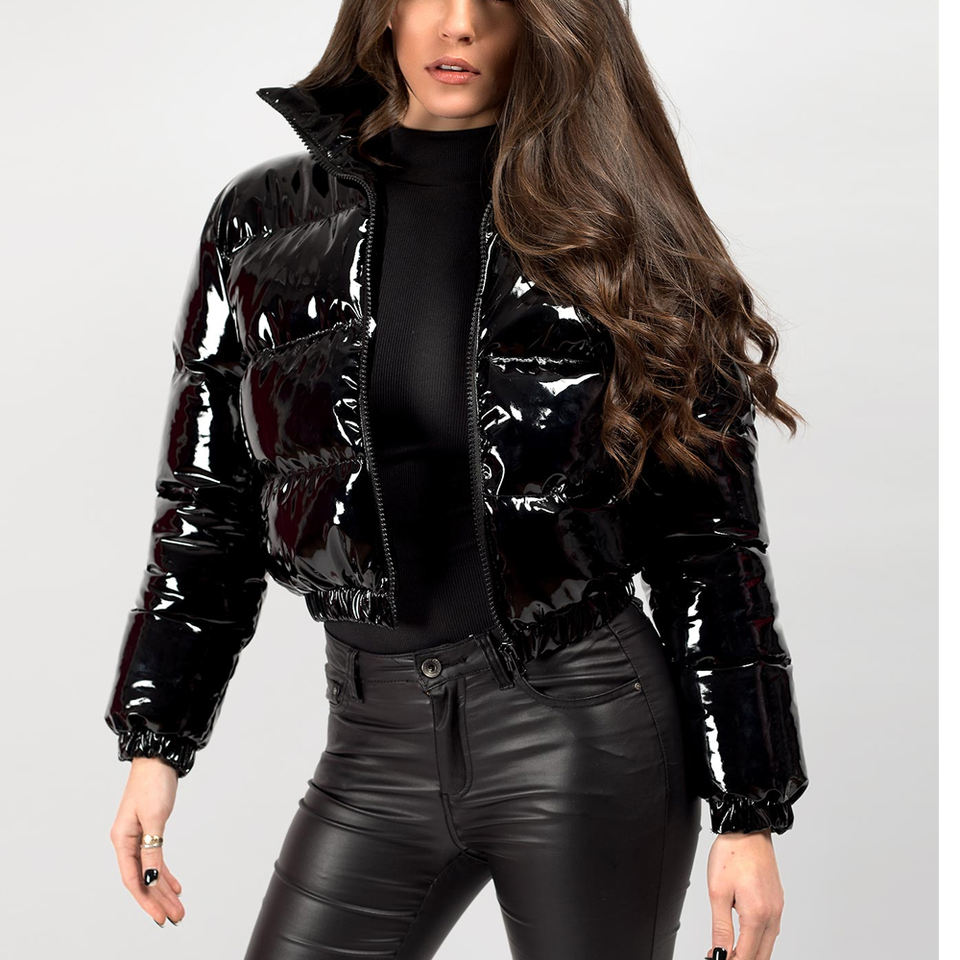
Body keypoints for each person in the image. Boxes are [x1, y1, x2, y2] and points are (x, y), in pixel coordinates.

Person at [104, 2, 809, 958]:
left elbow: (708, 545)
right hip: (373, 745)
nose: (461, 24)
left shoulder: (618, 227)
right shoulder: (262, 223)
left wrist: (747, 811)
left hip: (582, 731)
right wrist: (156, 743)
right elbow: (207, 507)